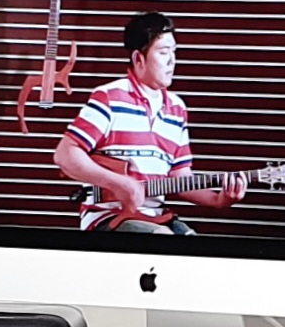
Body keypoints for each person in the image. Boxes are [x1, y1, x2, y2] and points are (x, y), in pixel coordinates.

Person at [53, 12, 245, 235]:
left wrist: (218, 199)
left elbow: (179, 177)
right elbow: (65, 155)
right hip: (108, 217)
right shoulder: (110, 97)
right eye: (163, 52)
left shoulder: (177, 109)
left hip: (157, 216)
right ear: (138, 59)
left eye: (174, 52)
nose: (172, 61)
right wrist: (118, 183)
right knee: (162, 239)